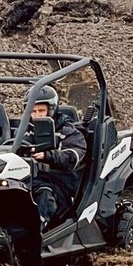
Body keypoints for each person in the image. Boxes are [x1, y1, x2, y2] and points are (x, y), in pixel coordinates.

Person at [25, 86, 87, 231]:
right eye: (33, 111)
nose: (37, 115)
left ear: (51, 110)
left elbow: (72, 156)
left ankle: (35, 235)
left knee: (44, 194)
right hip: (30, 180)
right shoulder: (26, 132)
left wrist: (47, 156)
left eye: (41, 111)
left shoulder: (68, 132)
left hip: (61, 185)